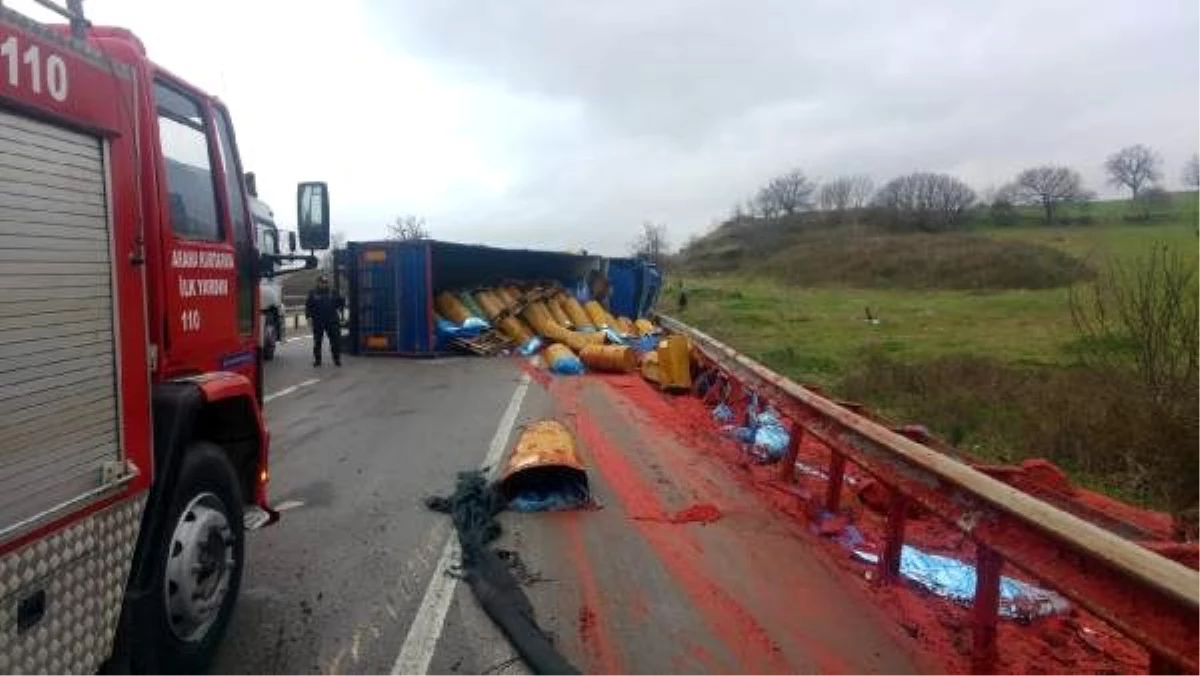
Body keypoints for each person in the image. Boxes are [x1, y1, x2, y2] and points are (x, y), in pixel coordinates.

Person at [305, 274, 345, 366]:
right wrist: (308, 317)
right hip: (318, 321)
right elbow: (308, 306)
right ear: (318, 283)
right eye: (322, 282)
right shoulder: (313, 293)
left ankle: (336, 359)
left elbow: (340, 303)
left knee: (335, 341)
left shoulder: (333, 292)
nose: (324, 284)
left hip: (332, 320)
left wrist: (342, 302)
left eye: (325, 282)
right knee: (317, 341)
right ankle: (318, 360)